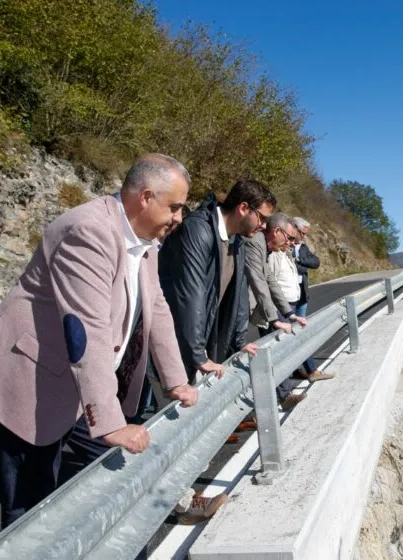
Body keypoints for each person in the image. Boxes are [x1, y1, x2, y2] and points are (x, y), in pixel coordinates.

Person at [0, 154, 200, 528]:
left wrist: (176, 379)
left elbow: (157, 306)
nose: (179, 218)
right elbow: (87, 328)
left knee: (116, 470)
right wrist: (112, 422)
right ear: (146, 197)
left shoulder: (144, 240)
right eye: (176, 207)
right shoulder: (89, 231)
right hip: (32, 376)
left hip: (82, 381)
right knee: (30, 506)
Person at [158, 178, 274, 518]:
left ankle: (175, 493)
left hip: (196, 340)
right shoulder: (199, 230)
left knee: (181, 422)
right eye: (262, 218)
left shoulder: (235, 240)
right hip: (172, 340)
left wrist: (240, 343)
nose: (264, 225)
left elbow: (237, 299)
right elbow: (189, 297)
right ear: (243, 209)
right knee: (174, 422)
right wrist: (197, 355)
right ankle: (178, 503)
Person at [246, 212, 309, 409]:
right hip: (243, 309)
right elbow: (260, 283)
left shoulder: (268, 249)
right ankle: (261, 407)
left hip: (274, 307)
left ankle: (271, 401)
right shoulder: (256, 244)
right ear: (277, 231)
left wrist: (290, 314)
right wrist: (274, 318)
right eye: (290, 238)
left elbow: (271, 282)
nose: (292, 243)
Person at [290, 217, 333, 381]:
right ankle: (311, 370)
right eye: (302, 233)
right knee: (298, 332)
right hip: (288, 297)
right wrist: (299, 263)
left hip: (301, 295)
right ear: (293, 228)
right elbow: (290, 267)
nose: (304, 236)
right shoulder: (284, 246)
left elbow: (315, 262)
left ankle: (303, 369)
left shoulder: (302, 247)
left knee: (300, 331)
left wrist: (299, 259)